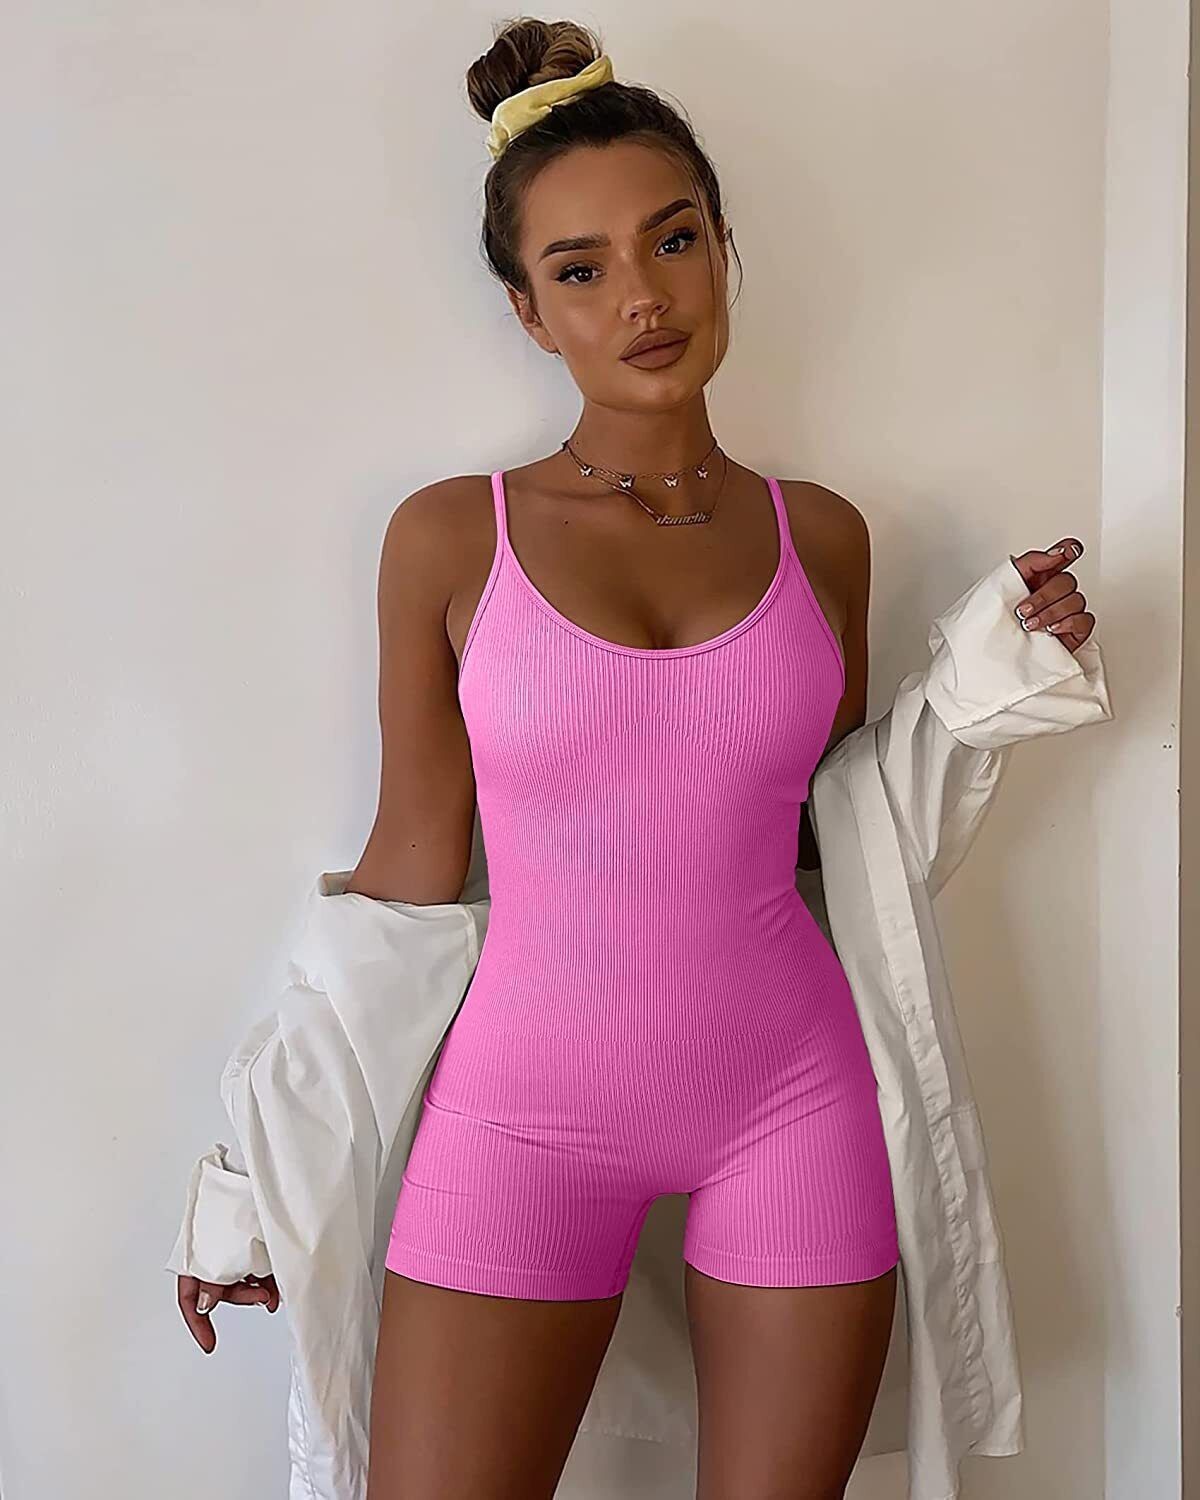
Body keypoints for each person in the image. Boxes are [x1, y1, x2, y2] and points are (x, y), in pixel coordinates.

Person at [304, 19, 1096, 1500]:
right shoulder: (450, 537)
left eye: (673, 241)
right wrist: (259, 1170)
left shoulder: (825, 536)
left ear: (726, 251)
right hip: (521, 1114)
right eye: (580, 269)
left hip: (792, 1099)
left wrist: (989, 677)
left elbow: (839, 837)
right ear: (528, 312)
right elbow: (411, 869)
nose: (643, 297)